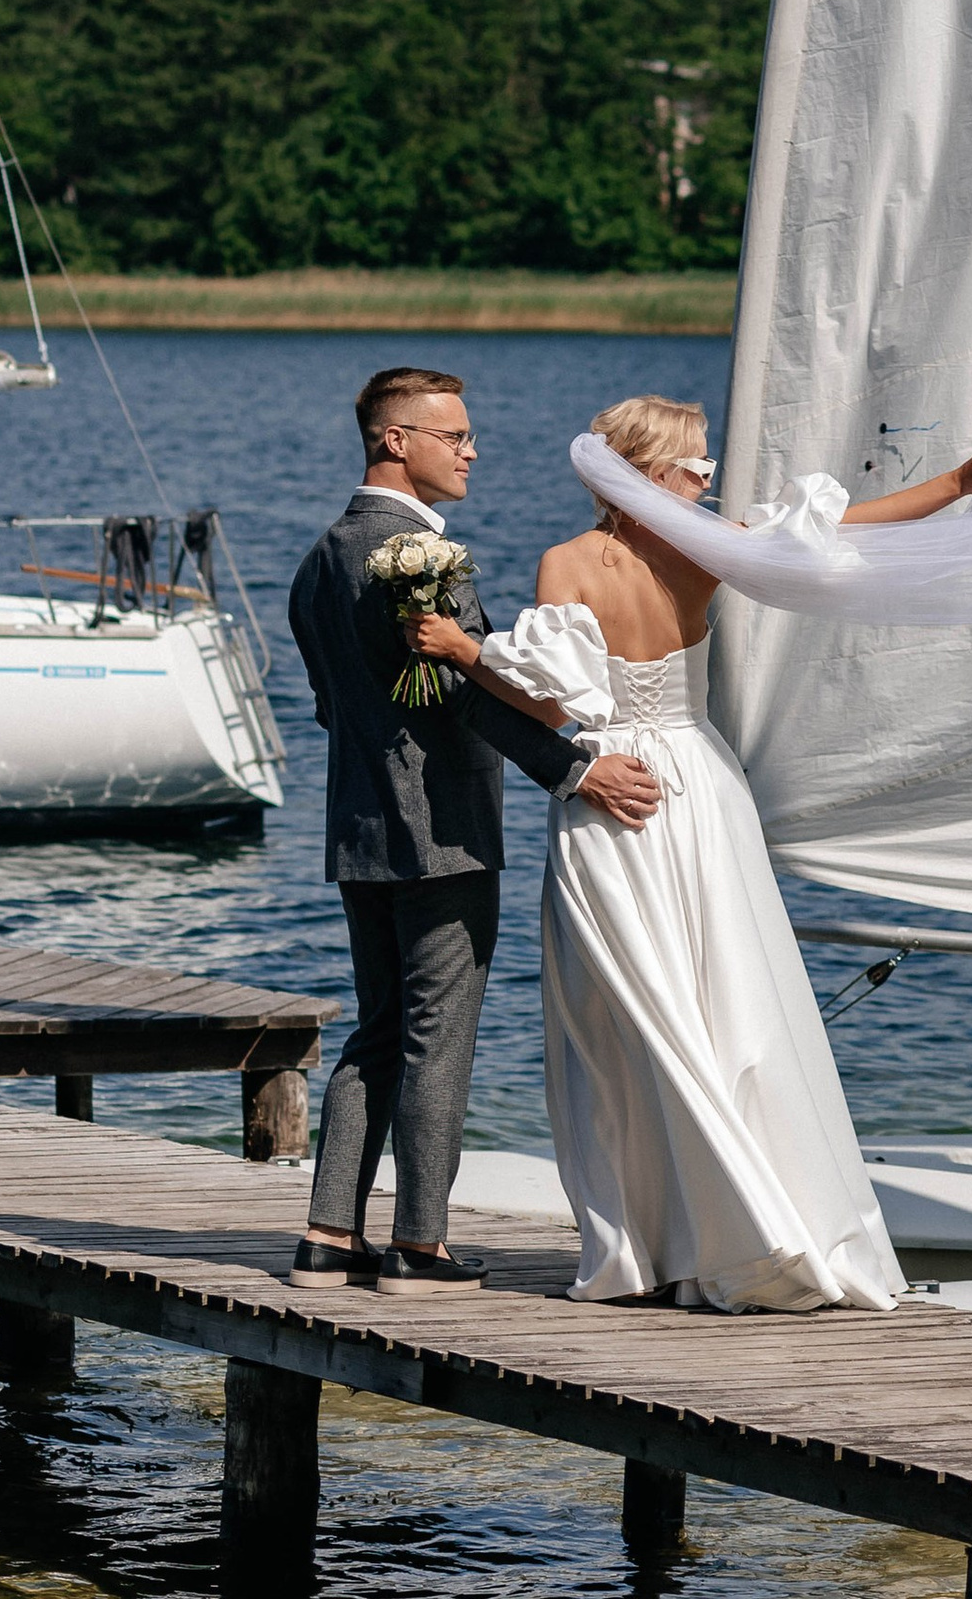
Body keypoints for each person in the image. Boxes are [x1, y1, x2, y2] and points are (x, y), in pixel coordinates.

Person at [406, 391, 972, 1311]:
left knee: (625, 1019)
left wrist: (462, 648)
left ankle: (657, 1240)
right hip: (699, 784)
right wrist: (956, 483)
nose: (705, 481)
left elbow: (547, 705)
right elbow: (844, 524)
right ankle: (745, 1225)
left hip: (611, 791)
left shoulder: (568, 562)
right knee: (728, 1000)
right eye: (694, 467)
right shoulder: (710, 546)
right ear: (650, 474)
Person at [287, 364, 663, 1294]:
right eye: (454, 436)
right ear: (396, 441)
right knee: (436, 1037)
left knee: (377, 1030)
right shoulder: (420, 561)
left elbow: (331, 702)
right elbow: (472, 700)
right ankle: (421, 1244)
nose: (472, 450)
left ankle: (329, 1236)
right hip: (444, 831)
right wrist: (578, 768)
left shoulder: (320, 557)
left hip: (360, 829)